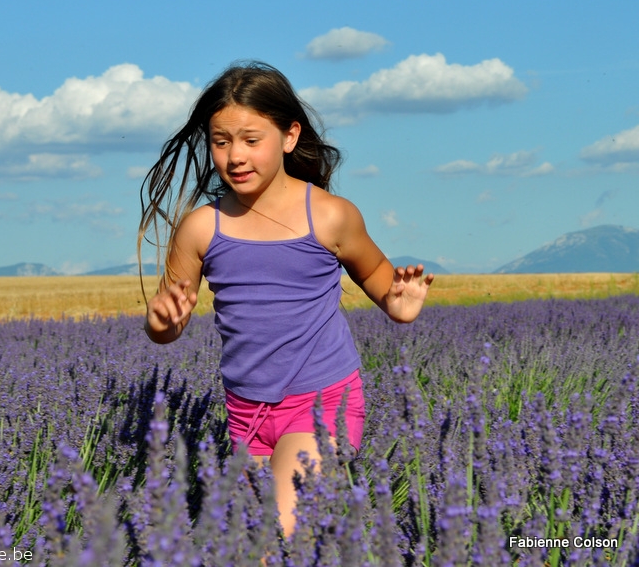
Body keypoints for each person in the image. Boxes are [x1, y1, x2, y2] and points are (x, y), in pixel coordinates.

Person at [138, 60, 433, 537]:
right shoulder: (201, 228)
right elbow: (168, 327)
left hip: (322, 402)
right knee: (256, 543)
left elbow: (379, 280)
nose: (235, 156)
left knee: (277, 534)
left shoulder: (331, 216)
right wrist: (160, 322)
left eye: (251, 140)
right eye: (221, 141)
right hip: (245, 412)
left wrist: (400, 304)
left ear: (289, 136)